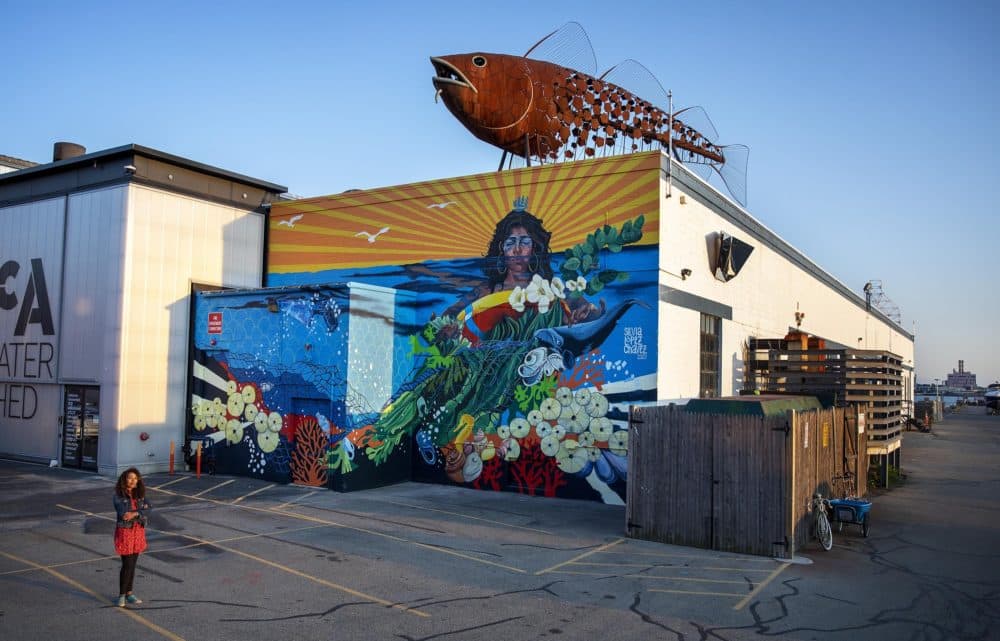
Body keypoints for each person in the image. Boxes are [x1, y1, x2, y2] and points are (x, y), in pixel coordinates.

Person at [113, 467, 151, 607]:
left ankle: (129, 593)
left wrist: (135, 514)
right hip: (125, 532)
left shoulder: (140, 494)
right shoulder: (118, 495)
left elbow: (150, 508)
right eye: (130, 478)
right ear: (125, 479)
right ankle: (122, 595)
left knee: (133, 565)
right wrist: (140, 511)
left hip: (138, 531)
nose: (133, 480)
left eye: (135, 478)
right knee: (127, 564)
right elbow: (124, 513)